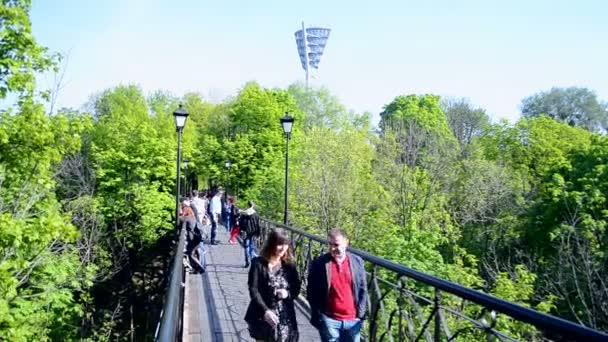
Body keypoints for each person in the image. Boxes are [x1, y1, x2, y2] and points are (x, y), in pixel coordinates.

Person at [307, 229, 367, 342]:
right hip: (329, 319)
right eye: (329, 244)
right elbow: (311, 291)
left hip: (353, 320)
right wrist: (319, 315)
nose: (332, 248)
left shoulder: (357, 262)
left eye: (336, 244)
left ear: (346, 243)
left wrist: (361, 314)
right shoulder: (320, 264)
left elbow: (363, 289)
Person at [245, 229, 300, 342]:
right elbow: (253, 289)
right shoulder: (258, 264)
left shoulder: (289, 266)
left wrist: (287, 293)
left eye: (285, 244)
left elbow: (296, 287)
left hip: (285, 317)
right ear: (271, 244)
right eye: (279, 244)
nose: (283, 248)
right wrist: (265, 311)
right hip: (262, 314)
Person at [239, 200, 260, 267]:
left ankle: (247, 261)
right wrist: (258, 234)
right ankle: (252, 260)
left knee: (246, 247)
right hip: (253, 232)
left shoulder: (244, 214)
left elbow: (241, 223)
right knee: (252, 247)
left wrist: (241, 230)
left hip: (245, 232)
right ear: (253, 206)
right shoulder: (256, 215)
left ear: (248, 205)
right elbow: (258, 225)